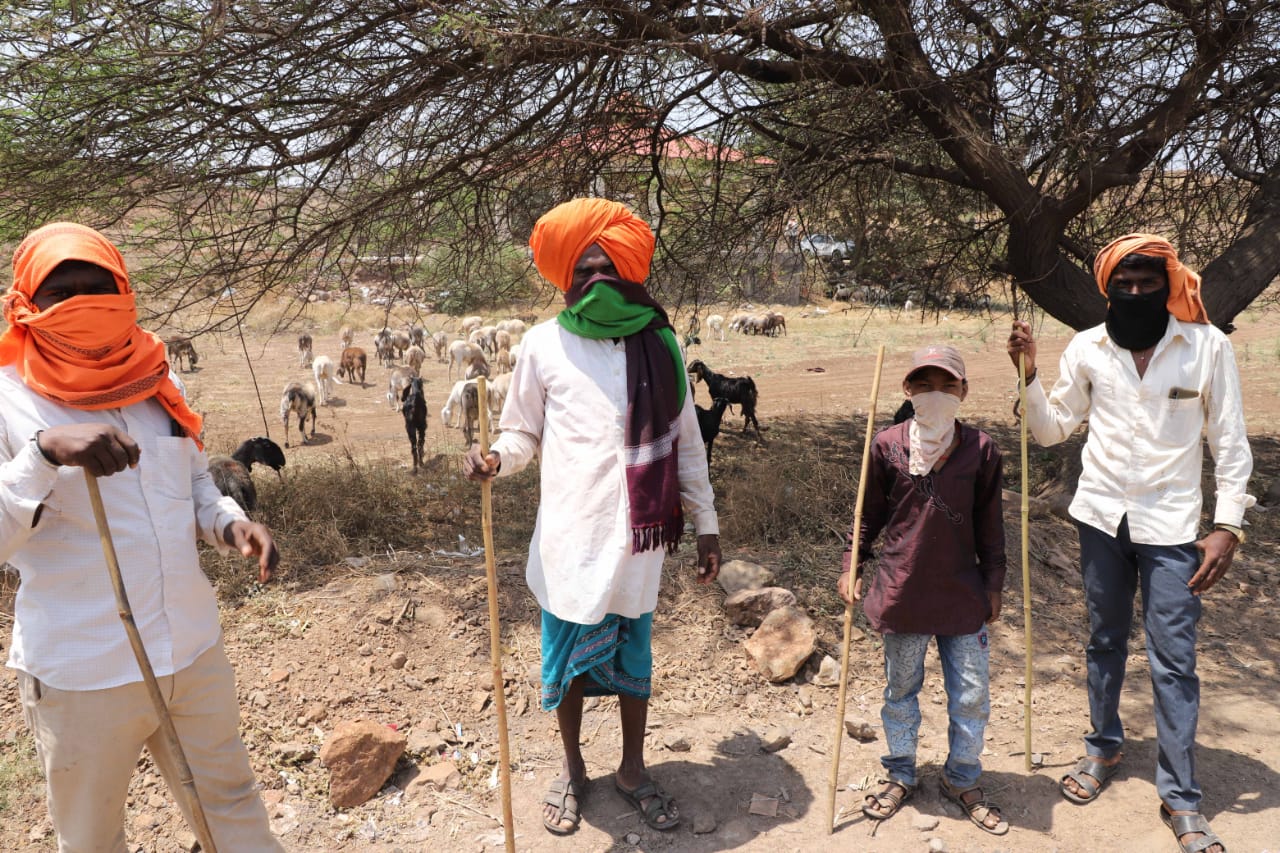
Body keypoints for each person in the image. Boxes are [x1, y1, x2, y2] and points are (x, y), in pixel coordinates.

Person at [0, 222, 285, 852]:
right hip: (83, 669)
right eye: (61, 293)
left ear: (123, 292)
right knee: (92, 838)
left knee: (232, 809)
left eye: (97, 288)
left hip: (190, 648)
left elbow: (190, 488)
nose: (80, 304)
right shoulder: (9, 398)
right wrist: (43, 453)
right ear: (26, 305)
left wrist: (228, 525)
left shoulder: (155, 378)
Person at [464, 198, 721, 835]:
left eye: (611, 266)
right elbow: (522, 432)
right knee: (567, 661)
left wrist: (707, 522)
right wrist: (497, 457)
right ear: (567, 279)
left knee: (636, 656)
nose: (599, 278)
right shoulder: (542, 344)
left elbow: (686, 441)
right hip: (570, 537)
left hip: (640, 537)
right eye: (586, 269)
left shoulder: (661, 343)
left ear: (633, 274)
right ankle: (574, 769)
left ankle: (632, 769)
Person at [1007, 234, 1252, 853]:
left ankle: (1181, 798)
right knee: (1104, 639)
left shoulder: (1205, 347)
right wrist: (1030, 375)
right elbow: (1048, 429)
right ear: (1108, 289)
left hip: (1173, 528)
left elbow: (1229, 439)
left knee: (1174, 658)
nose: (1136, 292)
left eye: (1147, 282)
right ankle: (1103, 749)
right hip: (1101, 519)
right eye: (1125, 284)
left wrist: (1227, 525)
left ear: (1166, 284)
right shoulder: (1087, 347)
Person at [837, 344, 1009, 835]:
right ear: (908, 390)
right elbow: (865, 518)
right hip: (902, 589)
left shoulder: (982, 449)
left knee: (972, 694)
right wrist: (852, 564)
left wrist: (994, 582)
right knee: (900, 690)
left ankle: (962, 777)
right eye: (925, 384)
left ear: (964, 392)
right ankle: (901, 773)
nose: (936, 394)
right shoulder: (887, 445)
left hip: (962, 593)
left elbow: (990, 525)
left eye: (947, 385)